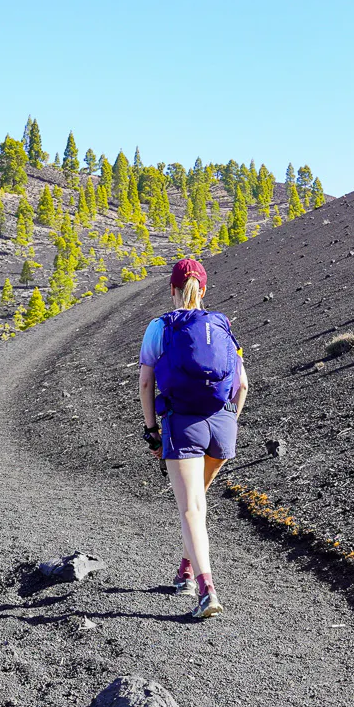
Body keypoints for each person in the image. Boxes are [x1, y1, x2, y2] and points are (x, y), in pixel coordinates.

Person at [139, 257, 247, 619]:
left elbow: (145, 382)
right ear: (204, 290)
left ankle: (206, 588)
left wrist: (152, 431)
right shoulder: (222, 324)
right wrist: (229, 420)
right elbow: (242, 384)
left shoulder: (160, 326)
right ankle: (185, 572)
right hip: (221, 423)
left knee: (190, 508)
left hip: (182, 424)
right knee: (197, 503)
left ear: (171, 289)